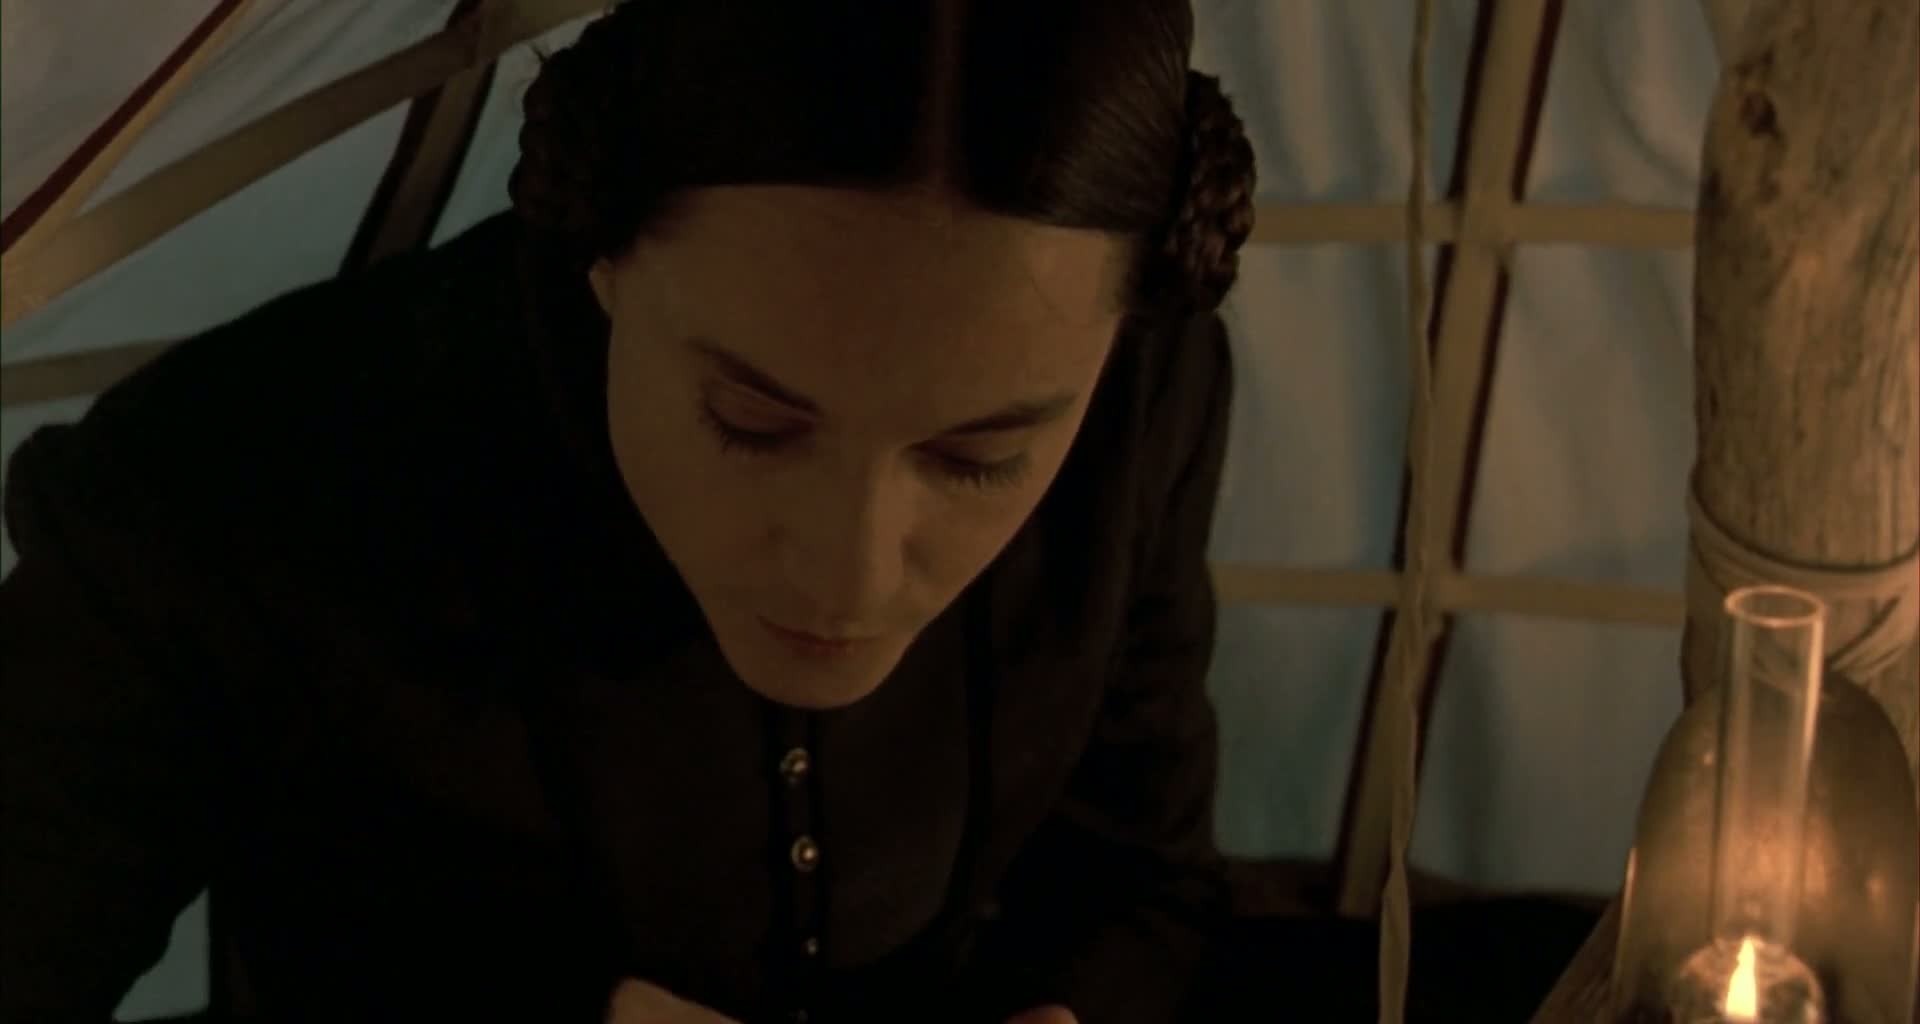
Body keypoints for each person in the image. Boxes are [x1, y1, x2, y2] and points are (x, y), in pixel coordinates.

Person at [0, 0, 1256, 1020]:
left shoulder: (1145, 398)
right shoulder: (223, 489)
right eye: (752, 421)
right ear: (599, 245)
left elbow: (1142, 881)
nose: (850, 575)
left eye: (981, 456)